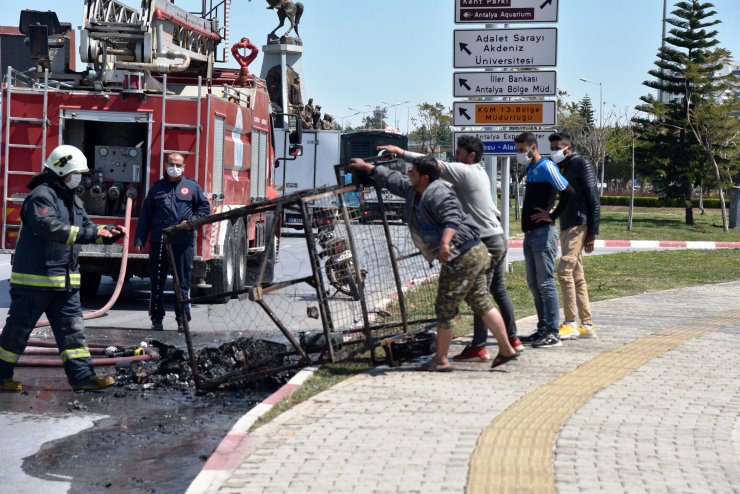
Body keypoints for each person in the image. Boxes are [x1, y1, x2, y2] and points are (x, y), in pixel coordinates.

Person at [348, 155, 519, 371]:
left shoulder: (438, 192)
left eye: (413, 171)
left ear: (425, 177)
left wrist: (445, 244)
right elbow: (392, 179)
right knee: (481, 302)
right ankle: (506, 349)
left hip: (462, 255)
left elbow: (453, 217)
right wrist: (367, 167)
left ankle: (441, 359)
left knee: (444, 307)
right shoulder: (414, 190)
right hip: (472, 253)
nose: (408, 172)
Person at [0, 145, 127, 392]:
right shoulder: (41, 196)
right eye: (75, 173)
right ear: (61, 171)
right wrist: (91, 233)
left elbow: (88, 227)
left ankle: (83, 378)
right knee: (17, 333)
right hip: (35, 282)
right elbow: (49, 227)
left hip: (65, 282)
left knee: (73, 334)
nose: (78, 178)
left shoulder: (72, 199)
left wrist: (108, 234)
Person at [135, 153, 210, 332]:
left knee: (181, 282)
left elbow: (204, 208)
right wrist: (140, 238)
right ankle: (157, 318)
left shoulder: (192, 187)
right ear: (166, 164)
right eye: (171, 164)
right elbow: (146, 215)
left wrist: (191, 222)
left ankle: (182, 319)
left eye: (178, 165)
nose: (174, 167)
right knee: (157, 281)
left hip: (183, 242)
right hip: (159, 242)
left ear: (183, 168)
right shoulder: (156, 189)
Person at [515, 132, 574, 348]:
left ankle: (552, 332)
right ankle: (542, 328)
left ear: (532, 147)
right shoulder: (530, 168)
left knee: (546, 282)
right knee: (534, 283)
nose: (519, 154)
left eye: (521, 150)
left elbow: (568, 192)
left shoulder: (547, 166)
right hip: (530, 234)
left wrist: (552, 215)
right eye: (517, 150)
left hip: (543, 234)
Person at [549, 133, 601, 339]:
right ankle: (587, 325)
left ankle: (570, 322)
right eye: (551, 147)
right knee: (577, 276)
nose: (554, 151)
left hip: (579, 224)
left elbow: (593, 199)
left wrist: (592, 232)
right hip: (567, 225)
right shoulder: (565, 167)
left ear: (568, 148)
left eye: (557, 147)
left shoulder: (581, 163)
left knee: (564, 271)